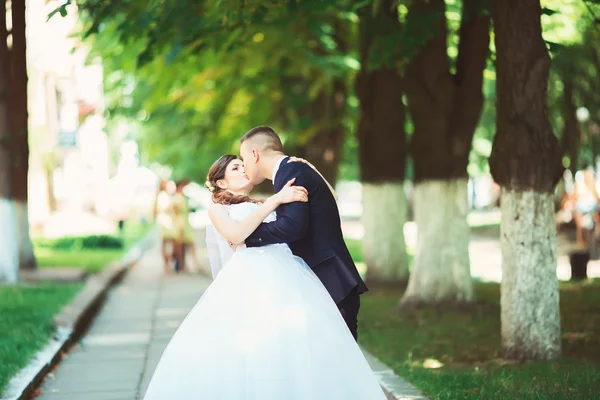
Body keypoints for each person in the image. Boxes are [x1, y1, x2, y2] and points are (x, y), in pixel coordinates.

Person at [142, 155, 386, 400]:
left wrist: (311, 169)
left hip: (287, 273)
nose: (243, 168)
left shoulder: (262, 202)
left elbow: (329, 196)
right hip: (248, 277)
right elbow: (236, 234)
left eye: (242, 163)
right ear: (222, 183)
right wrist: (275, 200)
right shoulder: (218, 209)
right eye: (235, 167)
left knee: (296, 338)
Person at [240, 125, 367, 340]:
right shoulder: (293, 169)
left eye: (243, 159)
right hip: (329, 281)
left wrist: (248, 236)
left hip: (332, 282)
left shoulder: (290, 171)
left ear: (254, 154)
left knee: (337, 365)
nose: (243, 166)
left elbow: (293, 226)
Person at [154, 180, 176, 274]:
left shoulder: (166, 195)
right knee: (167, 243)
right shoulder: (162, 196)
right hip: (165, 221)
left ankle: (167, 264)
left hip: (168, 221)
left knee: (168, 243)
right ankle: (166, 265)